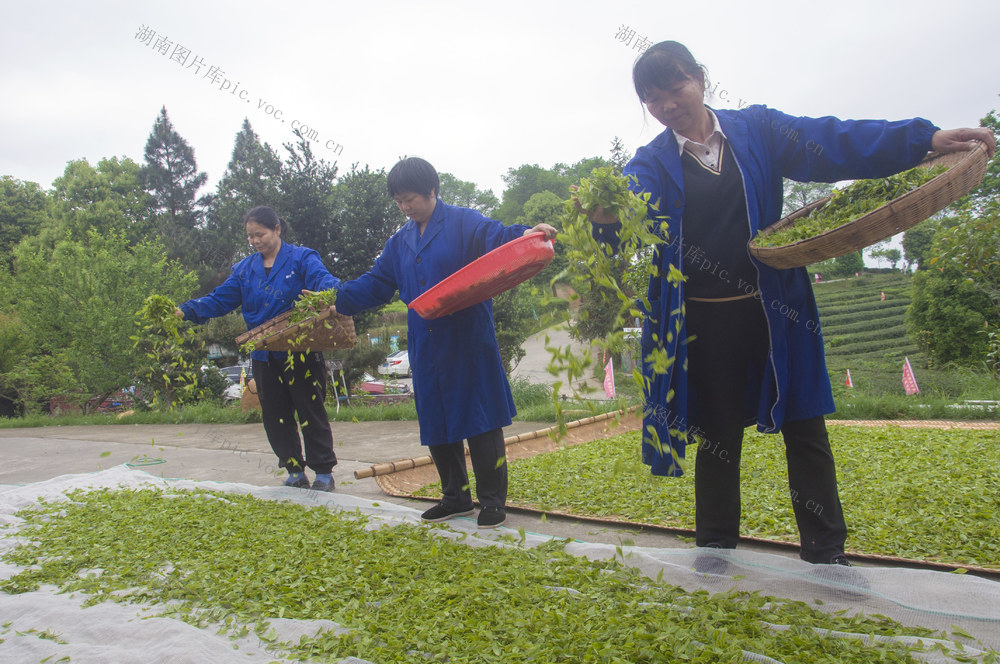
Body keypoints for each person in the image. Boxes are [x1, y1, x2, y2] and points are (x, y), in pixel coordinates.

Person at [587, 41, 994, 566]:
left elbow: (835, 140)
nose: (667, 104)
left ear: (701, 79)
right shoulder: (649, 164)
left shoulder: (756, 130)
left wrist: (924, 139)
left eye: (676, 87)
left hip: (777, 307)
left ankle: (826, 550)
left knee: (804, 426)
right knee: (717, 437)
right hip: (704, 321)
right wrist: (603, 219)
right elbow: (624, 221)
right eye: (652, 98)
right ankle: (715, 549)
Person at [334, 157, 557, 529]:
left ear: (432, 191)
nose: (406, 207)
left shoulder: (463, 222)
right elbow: (375, 283)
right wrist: (336, 298)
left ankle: (492, 500)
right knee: (437, 419)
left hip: (467, 333)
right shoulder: (400, 241)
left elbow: (496, 236)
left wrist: (525, 235)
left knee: (480, 418)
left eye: (411, 199)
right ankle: (454, 496)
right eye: (399, 202)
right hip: (426, 337)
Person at [176, 206, 342, 491]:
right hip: (263, 353)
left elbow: (324, 281)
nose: (255, 241)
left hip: (299, 349)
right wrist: (186, 311)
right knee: (275, 414)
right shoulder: (244, 270)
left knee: (310, 410)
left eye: (260, 234)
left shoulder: (301, 258)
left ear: (277, 229)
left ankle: (323, 472)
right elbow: (219, 300)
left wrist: (330, 294)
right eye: (250, 236)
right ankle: (293, 470)